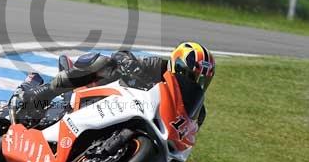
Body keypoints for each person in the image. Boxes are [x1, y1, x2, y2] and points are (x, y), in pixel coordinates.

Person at [13, 42, 215, 126]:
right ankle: (39, 94)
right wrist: (131, 66)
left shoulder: (197, 111)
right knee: (104, 63)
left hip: (129, 123)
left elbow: (187, 137)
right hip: (102, 95)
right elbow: (122, 54)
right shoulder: (157, 66)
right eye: (189, 74)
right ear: (175, 64)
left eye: (199, 79)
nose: (192, 82)